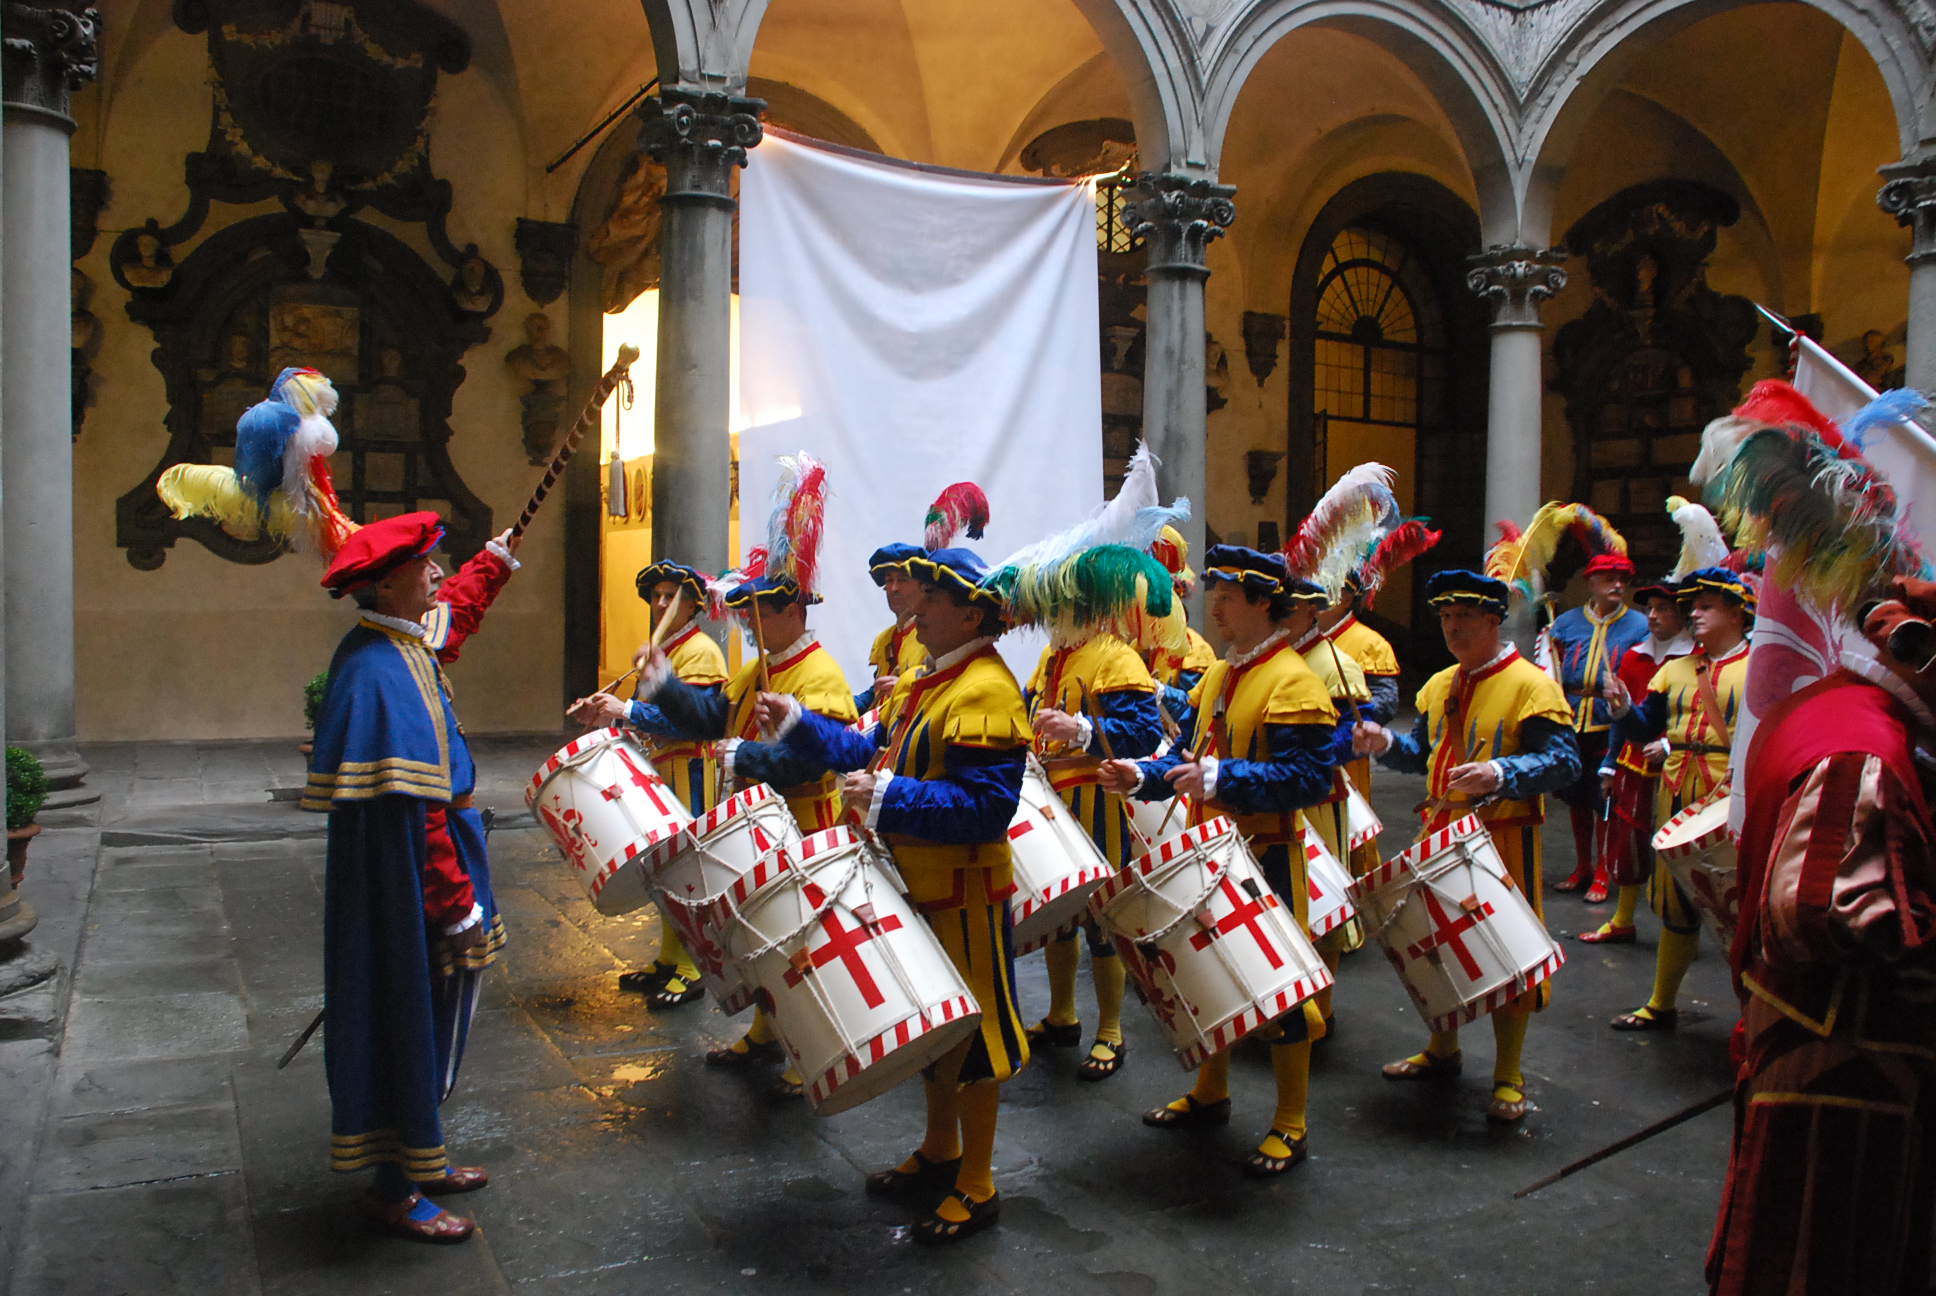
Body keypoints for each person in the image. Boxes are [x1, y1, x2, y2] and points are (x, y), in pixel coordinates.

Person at [754, 547, 1032, 1243]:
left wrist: (890, 795)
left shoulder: (988, 692)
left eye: (931, 598)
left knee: (974, 1038)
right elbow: (861, 745)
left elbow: (987, 807)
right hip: (917, 884)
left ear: (969, 612)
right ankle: (941, 1150)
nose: (915, 605)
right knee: (935, 1029)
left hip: (964, 891)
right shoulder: (929, 679)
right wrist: (796, 721)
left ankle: (979, 1181)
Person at [1706, 578, 1936, 1295]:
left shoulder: (1826, 706)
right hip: (1842, 1083)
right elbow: (1814, 910)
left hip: (1814, 1059)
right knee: (1818, 1260)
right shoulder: (1861, 747)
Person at [302, 512, 521, 1243]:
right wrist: (454, 903)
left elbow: (452, 617)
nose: (437, 572)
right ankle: (395, 1188)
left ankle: (422, 1155)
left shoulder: (398, 641)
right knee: (409, 1015)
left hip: (434, 864)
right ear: (390, 581)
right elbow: (417, 813)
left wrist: (492, 564)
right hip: (415, 887)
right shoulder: (378, 671)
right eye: (427, 564)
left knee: (436, 1017)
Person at [1098, 545, 1340, 1175]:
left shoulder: (1295, 680)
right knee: (1209, 976)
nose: (1216, 606)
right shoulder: (1220, 677)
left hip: (1269, 855)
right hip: (1210, 851)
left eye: (1229, 597)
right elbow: (1188, 757)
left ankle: (1292, 1122)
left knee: (1278, 993)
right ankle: (1211, 1091)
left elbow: (1313, 778)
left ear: (1264, 603)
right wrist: (1141, 777)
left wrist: (1224, 780)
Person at [1354, 569, 1580, 1122]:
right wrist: (1385, 743)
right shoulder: (1437, 685)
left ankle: (1508, 1073)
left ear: (1493, 621)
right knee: (1434, 948)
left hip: (1504, 839)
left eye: (1465, 619)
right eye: (1447, 619)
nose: (1453, 628)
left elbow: (1565, 762)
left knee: (1509, 953)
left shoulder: (1533, 685)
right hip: (1441, 832)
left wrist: (1502, 772)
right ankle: (1442, 1049)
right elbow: (1422, 755)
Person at [630, 569, 857, 1094]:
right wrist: (665, 684)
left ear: (795, 613)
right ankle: (765, 1030)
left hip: (803, 825)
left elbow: (812, 764)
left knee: (801, 945)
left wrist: (747, 754)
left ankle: (812, 1050)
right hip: (759, 826)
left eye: (767, 613)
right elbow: (713, 716)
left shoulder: (820, 674)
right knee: (764, 941)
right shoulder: (760, 667)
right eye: (752, 613)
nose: (755, 624)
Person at [1599, 567, 1753, 1031]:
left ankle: (1755, 1014)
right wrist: (1623, 709)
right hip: (1673, 791)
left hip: (1732, 794)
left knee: (1739, 905)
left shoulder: (1763, 667)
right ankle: (1661, 1003)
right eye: (1694, 607)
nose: (1695, 614)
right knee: (1676, 902)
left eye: (1706, 606)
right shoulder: (1675, 669)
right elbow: (1646, 726)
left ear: (1736, 612)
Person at [569, 560, 726, 1006]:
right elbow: (644, 718)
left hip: (690, 772)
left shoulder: (701, 653)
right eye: (655, 595)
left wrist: (626, 711)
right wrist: (604, 713)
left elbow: (692, 724)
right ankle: (669, 959)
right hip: (660, 771)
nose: (659, 604)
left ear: (693, 603)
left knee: (687, 872)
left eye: (670, 596)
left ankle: (695, 965)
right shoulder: (667, 650)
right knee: (662, 871)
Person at [1023, 593, 1164, 1082]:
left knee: (1102, 917)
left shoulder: (1117, 656)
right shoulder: (1051, 658)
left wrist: (1080, 729)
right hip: (1052, 802)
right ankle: (1063, 1016)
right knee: (1059, 911)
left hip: (1098, 801)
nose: (1046, 619)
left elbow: (1145, 734)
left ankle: (1111, 1031)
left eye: (1053, 608)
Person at [1280, 577, 1373, 1035]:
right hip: (1274, 797)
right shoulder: (1275, 657)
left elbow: (1358, 732)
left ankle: (1325, 1007)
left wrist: (1304, 756)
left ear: (1310, 612)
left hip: (1318, 798)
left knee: (1326, 902)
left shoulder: (1336, 663)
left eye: (1290, 608)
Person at [1577, 579, 1691, 945]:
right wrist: (1610, 763)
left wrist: (1669, 745)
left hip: (1682, 769)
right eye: (1651, 609)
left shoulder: (1694, 660)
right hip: (1632, 763)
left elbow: (1695, 717)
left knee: (1678, 849)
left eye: (1664, 609)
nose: (1653, 616)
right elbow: (1620, 718)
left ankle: (1681, 924)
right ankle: (1623, 918)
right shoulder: (1633, 656)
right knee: (1626, 843)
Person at [1548, 552, 1648, 900]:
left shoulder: (1640, 626)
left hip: (1613, 725)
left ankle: (1605, 869)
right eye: (1609, 579)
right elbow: (1552, 670)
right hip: (1573, 721)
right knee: (1576, 799)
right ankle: (1582, 866)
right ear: (1591, 583)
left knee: (1605, 798)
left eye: (1623, 579)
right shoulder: (1566, 622)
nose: (1618, 585)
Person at [857, 541, 925, 715]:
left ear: (922, 586)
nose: (894, 588)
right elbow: (876, 693)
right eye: (889, 581)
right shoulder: (884, 639)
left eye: (902, 580)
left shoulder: (932, 636)